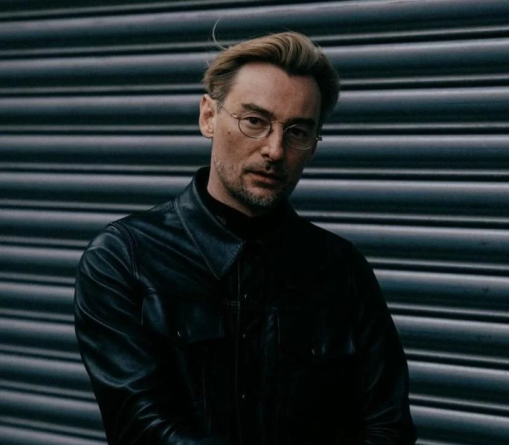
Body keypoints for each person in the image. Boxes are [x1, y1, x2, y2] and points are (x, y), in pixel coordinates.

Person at [74, 31, 416, 445]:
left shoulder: (342, 270)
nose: (275, 150)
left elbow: (388, 426)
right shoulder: (124, 258)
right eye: (255, 121)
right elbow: (142, 427)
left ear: (313, 145)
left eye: (298, 131)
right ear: (208, 117)